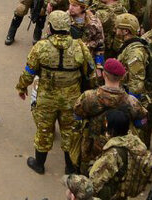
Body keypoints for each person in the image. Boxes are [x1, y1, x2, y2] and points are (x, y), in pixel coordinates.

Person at [16, 9, 96, 175]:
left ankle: (39, 164)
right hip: (72, 98)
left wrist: (22, 87)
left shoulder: (41, 47)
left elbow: (29, 72)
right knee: (70, 131)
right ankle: (70, 167)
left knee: (44, 129)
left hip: (47, 97)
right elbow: (90, 73)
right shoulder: (80, 46)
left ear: (50, 27)